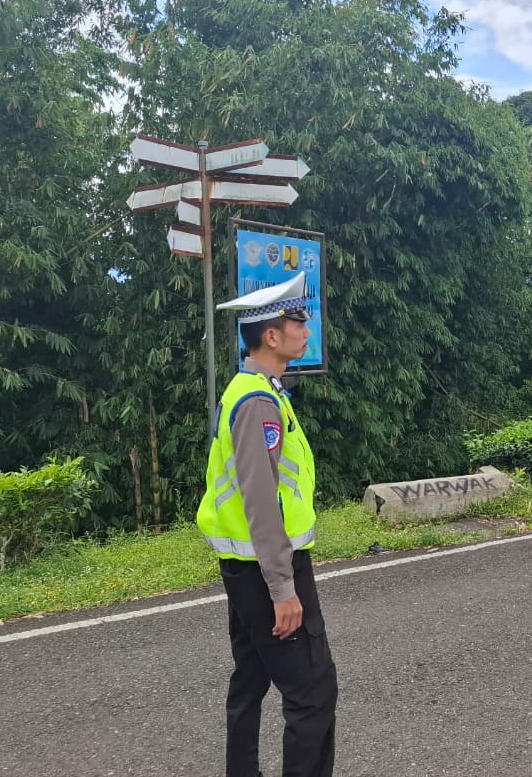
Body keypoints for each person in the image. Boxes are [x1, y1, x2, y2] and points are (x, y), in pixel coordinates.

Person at [196, 272, 338, 777]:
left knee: (251, 678)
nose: (306, 330)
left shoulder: (252, 389)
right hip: (267, 566)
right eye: (299, 321)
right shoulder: (259, 402)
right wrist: (282, 587)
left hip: (244, 563)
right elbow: (260, 499)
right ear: (272, 336)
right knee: (312, 692)